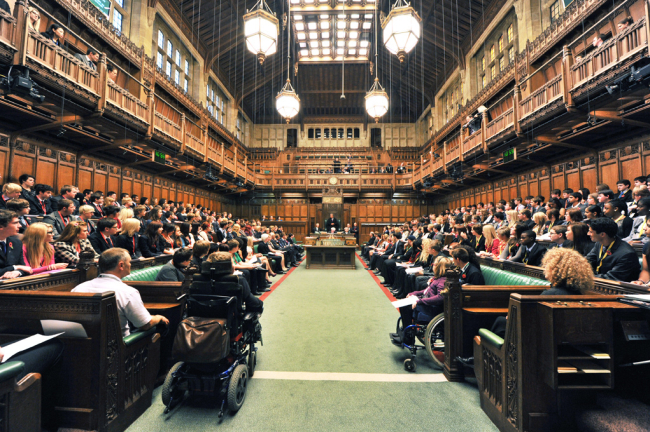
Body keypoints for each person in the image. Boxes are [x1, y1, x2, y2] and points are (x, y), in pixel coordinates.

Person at [72, 249, 169, 336]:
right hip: (121, 348)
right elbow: (145, 324)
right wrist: (158, 318)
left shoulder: (78, 289)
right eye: (129, 262)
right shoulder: (127, 292)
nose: (130, 264)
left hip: (84, 348)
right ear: (121, 265)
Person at [390, 256, 452, 346]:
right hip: (428, 304)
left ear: (439, 267)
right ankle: (405, 332)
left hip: (432, 309)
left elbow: (440, 298)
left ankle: (408, 337)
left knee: (406, 307)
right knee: (405, 303)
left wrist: (420, 301)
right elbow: (426, 291)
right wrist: (414, 293)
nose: (432, 266)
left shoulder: (443, 281)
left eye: (434, 264)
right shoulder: (437, 278)